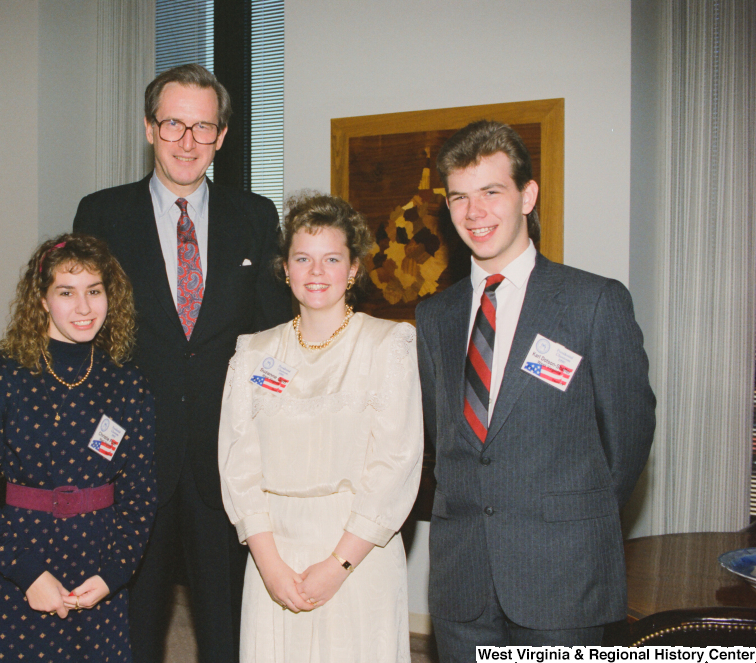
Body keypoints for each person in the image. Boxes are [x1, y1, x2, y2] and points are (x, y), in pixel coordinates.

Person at [72, 64, 292, 663]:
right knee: (132, 628)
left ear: (222, 136)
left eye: (203, 127)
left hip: (227, 462)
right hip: (130, 461)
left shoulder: (255, 216)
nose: (188, 142)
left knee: (226, 629)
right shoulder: (101, 215)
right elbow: (78, 336)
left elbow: (273, 336)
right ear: (149, 127)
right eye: (174, 124)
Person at [414, 120, 655, 656]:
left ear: (528, 195)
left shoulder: (593, 302)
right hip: (462, 583)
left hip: (563, 581)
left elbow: (628, 442)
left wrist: (569, 524)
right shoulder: (434, 316)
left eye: (491, 192)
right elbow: (443, 440)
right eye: (459, 197)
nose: (475, 213)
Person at [219, 192, 424, 662]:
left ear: (353, 269)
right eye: (303, 258)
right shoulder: (253, 353)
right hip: (273, 553)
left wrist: (338, 565)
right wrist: (269, 565)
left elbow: (395, 462)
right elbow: (238, 463)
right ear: (284, 268)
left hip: (358, 555)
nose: (316, 272)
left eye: (331, 259)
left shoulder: (388, 344)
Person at [0, 233, 156, 663]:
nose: (84, 308)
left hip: (100, 564)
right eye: (66, 292)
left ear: (110, 297)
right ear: (42, 300)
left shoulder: (127, 383)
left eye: (94, 291)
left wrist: (114, 573)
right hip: (23, 559)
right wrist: (28, 575)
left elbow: (140, 496)